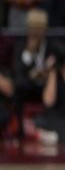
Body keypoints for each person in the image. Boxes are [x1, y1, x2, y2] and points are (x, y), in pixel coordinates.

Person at [12, 9, 50, 138]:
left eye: (38, 28)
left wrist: (48, 74)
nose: (35, 31)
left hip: (47, 87)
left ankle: (53, 124)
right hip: (28, 86)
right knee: (19, 85)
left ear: (45, 29)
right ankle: (19, 125)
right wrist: (29, 52)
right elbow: (18, 71)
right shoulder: (20, 46)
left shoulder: (51, 46)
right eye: (32, 27)